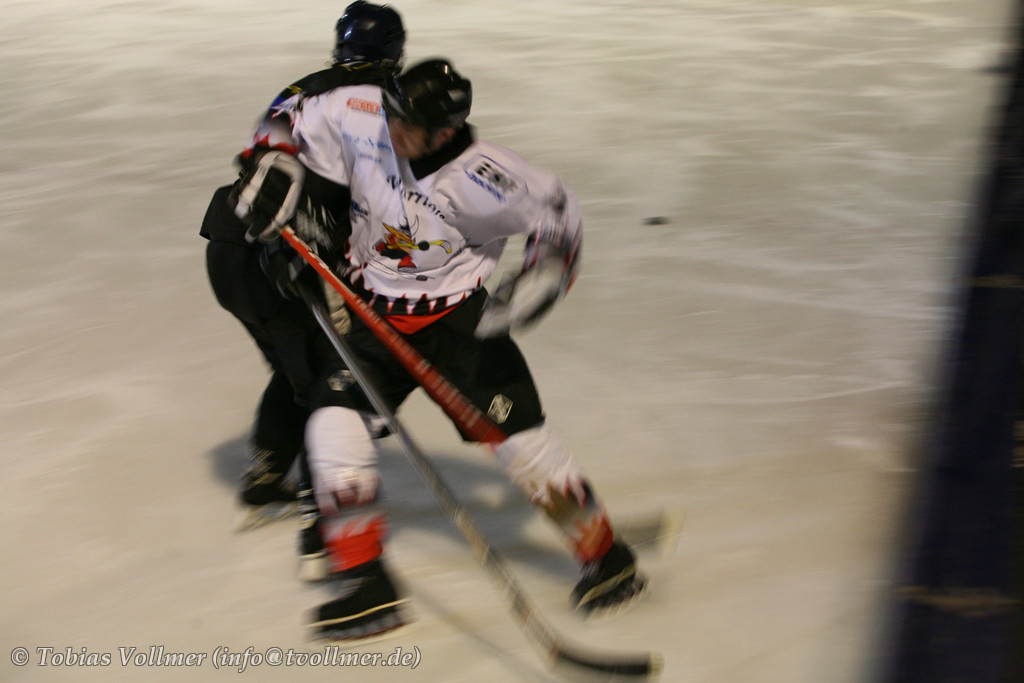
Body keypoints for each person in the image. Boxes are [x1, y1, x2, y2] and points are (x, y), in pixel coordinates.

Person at [232, 57, 647, 641]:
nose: (394, 129)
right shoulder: (363, 113)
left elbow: (560, 213)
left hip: (457, 326)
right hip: (372, 315)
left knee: (522, 445)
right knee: (331, 425)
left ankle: (607, 559)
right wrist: (270, 159)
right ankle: (366, 584)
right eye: (393, 113)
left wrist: (546, 272)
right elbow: (285, 119)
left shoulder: (486, 177)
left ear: (446, 131)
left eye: (412, 125)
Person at [200, 2, 406, 576]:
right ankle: (323, 524)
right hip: (284, 264)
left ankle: (267, 479)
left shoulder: (302, 89)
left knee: (295, 368)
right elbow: (380, 201)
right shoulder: (379, 104)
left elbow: (262, 159)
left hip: (229, 252)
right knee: (328, 382)